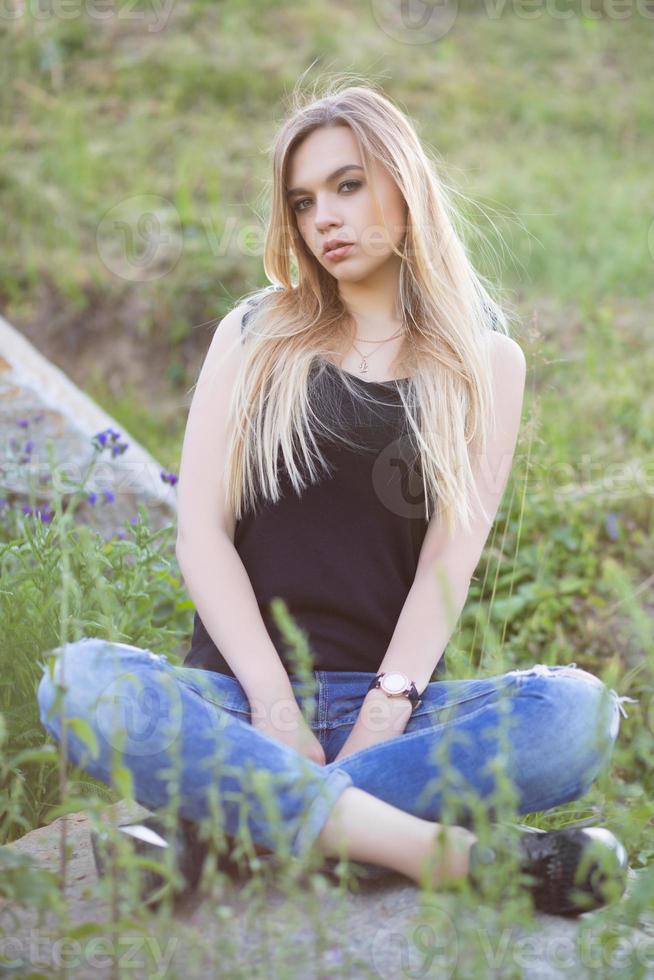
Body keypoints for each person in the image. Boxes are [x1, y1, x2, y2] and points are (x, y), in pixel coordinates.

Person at [37, 80, 634, 915]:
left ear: (402, 182)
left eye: (348, 185)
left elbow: (446, 563)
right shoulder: (254, 332)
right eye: (303, 199)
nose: (325, 217)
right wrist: (277, 713)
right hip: (236, 698)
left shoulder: (487, 362)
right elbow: (200, 535)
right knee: (80, 683)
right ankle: (456, 858)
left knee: (577, 714)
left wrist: (386, 714)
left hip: (392, 707)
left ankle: (219, 828)